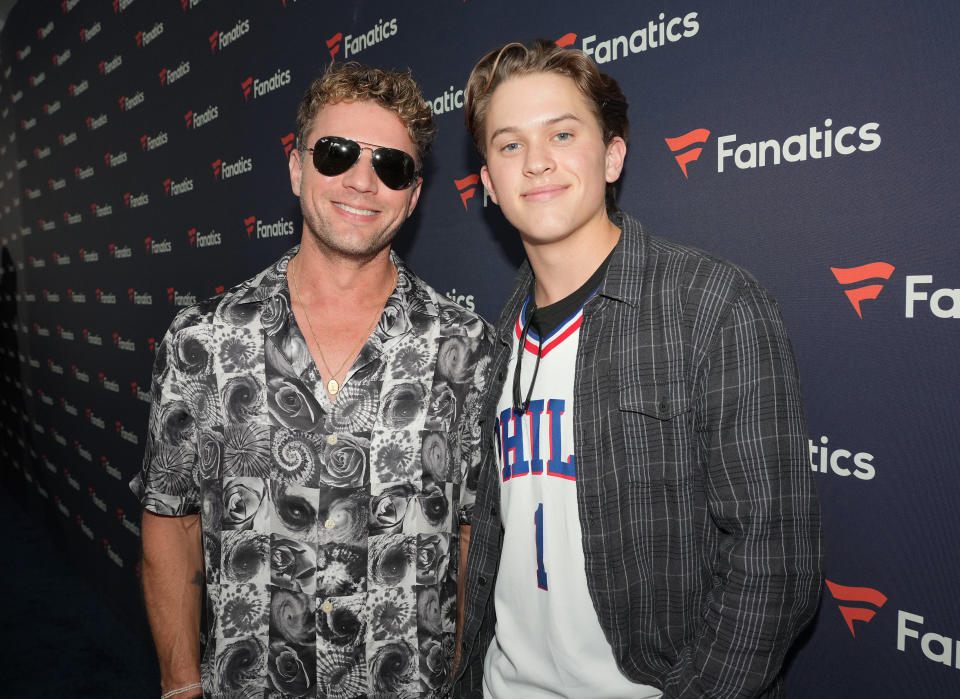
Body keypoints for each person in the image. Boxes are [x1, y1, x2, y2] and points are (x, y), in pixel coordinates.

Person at [454, 40, 823, 698]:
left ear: (613, 154)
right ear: (487, 183)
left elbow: (775, 566)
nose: (536, 161)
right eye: (508, 145)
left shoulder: (712, 306)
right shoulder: (498, 335)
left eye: (562, 134)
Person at [132, 62, 493, 699]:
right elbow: (172, 519)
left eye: (392, 166)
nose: (361, 180)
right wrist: (180, 685)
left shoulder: (466, 350)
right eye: (336, 154)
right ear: (297, 167)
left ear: (411, 196)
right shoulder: (202, 343)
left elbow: (471, 541)